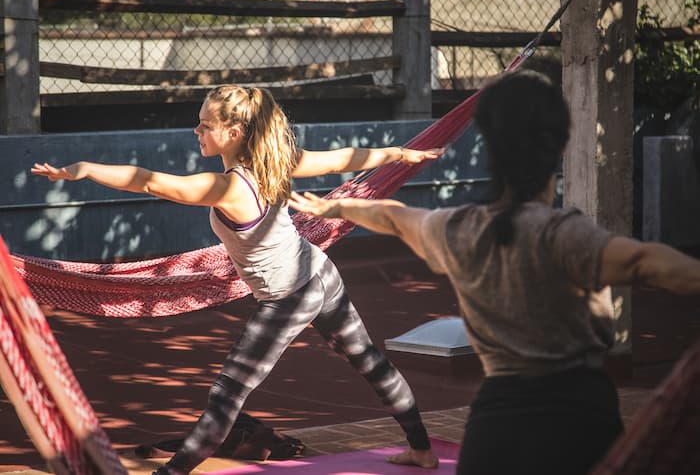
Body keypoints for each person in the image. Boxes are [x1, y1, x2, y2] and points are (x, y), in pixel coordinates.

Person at [289, 70, 700, 475]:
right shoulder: (568, 236)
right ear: (562, 145)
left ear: (490, 147)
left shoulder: (459, 229)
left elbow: (393, 217)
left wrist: (337, 206)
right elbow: (646, 262)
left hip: (495, 427)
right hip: (579, 420)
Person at [31, 84, 443, 474]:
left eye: (204, 125)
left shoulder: (230, 188)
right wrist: (399, 153)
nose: (196, 131)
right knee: (370, 362)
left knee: (227, 394)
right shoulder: (277, 161)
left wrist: (87, 169)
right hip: (320, 274)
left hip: (291, 294)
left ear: (233, 133)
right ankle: (421, 450)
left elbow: (151, 181)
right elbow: (342, 159)